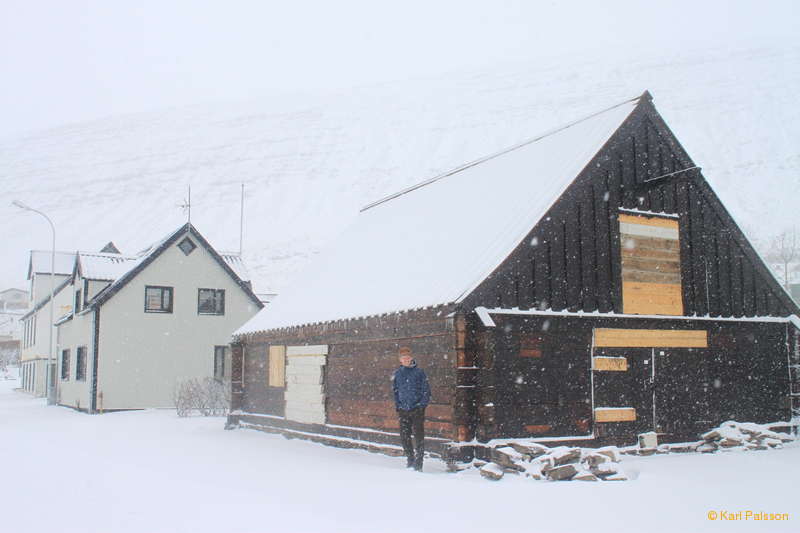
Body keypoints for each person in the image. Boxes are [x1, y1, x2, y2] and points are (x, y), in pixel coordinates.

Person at [391, 346, 430, 471]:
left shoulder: (419, 372)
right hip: (403, 409)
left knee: (418, 436)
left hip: (417, 409)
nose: (406, 360)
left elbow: (426, 390)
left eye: (408, 357)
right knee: (405, 436)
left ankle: (419, 463)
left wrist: (421, 405)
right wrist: (398, 406)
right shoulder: (398, 374)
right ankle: (410, 459)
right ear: (400, 360)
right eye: (403, 358)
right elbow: (395, 391)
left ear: (411, 358)